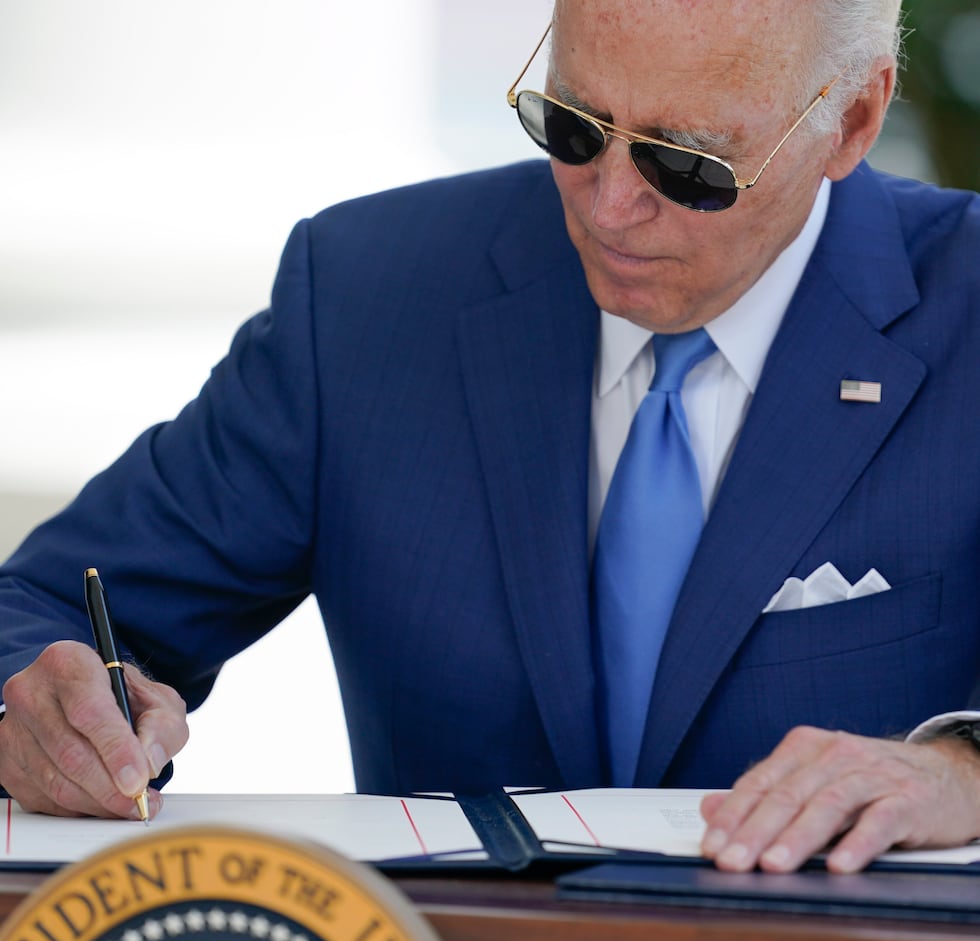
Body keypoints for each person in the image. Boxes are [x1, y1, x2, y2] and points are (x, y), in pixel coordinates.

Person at [1, 0, 979, 875]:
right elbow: (41, 603)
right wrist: (43, 711)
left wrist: (958, 767)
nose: (607, 206)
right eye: (571, 126)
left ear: (850, 120)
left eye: (688, 166)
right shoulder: (367, 294)